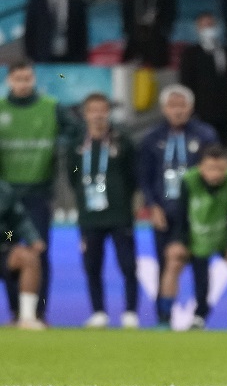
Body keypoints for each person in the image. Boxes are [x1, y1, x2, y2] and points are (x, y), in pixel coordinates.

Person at [0, 59, 79, 321]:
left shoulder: (50, 108)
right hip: (6, 200)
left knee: (38, 250)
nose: (23, 84)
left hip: (38, 194)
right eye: (18, 79)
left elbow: (75, 130)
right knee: (8, 251)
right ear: (9, 81)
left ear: (33, 80)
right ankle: (16, 310)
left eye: (27, 79)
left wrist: (59, 145)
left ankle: (39, 312)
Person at [137, 85, 219, 326]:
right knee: (165, 263)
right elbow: (145, 177)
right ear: (164, 109)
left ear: (190, 108)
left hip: (197, 212)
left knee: (200, 262)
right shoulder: (152, 139)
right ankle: (163, 315)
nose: (177, 111)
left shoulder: (205, 135)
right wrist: (152, 206)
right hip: (165, 210)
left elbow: (215, 172)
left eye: (181, 105)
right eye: (172, 106)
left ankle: (200, 314)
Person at [159, 144, 227, 330]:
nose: (216, 174)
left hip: (222, 237)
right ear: (200, 167)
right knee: (173, 261)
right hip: (193, 236)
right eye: (211, 169)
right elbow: (181, 214)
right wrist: (180, 241)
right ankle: (165, 318)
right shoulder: (189, 180)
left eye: (221, 169)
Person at [67, 93, 140, 329]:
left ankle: (130, 312)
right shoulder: (77, 142)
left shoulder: (122, 140)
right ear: (86, 113)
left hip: (119, 213)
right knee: (92, 265)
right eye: (93, 110)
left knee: (128, 265)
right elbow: (73, 176)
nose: (98, 114)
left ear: (108, 112)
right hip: (89, 215)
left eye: (102, 109)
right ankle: (98, 312)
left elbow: (133, 176)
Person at [179, 12, 227, 147]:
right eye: (204, 26)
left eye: (211, 25)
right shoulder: (190, 54)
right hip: (202, 110)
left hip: (225, 109)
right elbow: (186, 82)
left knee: (224, 145)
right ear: (197, 29)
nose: (208, 29)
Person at [0, 179, 47, 330]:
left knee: (29, 258)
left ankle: (27, 318)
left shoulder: (4, 190)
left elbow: (19, 220)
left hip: (3, 247)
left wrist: (33, 238)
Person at [24, 0, 89, 63]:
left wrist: (81, 56)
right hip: (43, 56)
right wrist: (30, 55)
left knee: (62, 77)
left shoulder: (76, 2)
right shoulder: (36, 1)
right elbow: (30, 29)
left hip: (69, 56)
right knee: (49, 78)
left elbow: (82, 31)